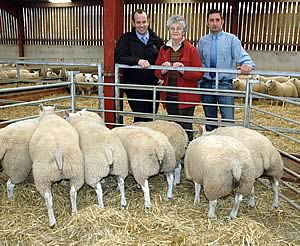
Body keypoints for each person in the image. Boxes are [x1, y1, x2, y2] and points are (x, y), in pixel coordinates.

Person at [198, 9, 255, 131]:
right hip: (206, 85)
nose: (214, 23)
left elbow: (243, 57)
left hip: (224, 85)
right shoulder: (202, 41)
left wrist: (246, 64)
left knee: (228, 122)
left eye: (217, 20)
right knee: (210, 121)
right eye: (211, 20)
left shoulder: (232, 40)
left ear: (222, 21)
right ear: (207, 23)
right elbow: (198, 62)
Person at [155, 15, 204, 141]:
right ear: (169, 30)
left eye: (179, 28)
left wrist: (183, 71)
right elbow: (156, 71)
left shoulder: (191, 49)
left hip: (186, 96)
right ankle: (178, 153)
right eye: (172, 28)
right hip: (170, 94)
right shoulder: (163, 49)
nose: (175, 31)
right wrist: (163, 71)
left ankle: (188, 153)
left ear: (184, 31)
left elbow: (199, 73)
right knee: (174, 127)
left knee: (186, 126)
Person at [114, 9, 164, 122]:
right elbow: (118, 57)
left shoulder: (156, 40)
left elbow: (163, 58)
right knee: (142, 116)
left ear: (149, 21)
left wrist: (162, 75)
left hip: (153, 86)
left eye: (144, 21)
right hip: (134, 86)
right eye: (138, 22)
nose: (142, 25)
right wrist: (137, 61)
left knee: (151, 117)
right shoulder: (126, 39)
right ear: (133, 23)